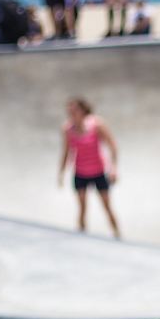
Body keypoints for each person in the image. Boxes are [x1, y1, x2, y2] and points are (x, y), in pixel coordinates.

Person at [59, 98, 120, 237]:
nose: (72, 114)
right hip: (80, 172)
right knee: (82, 207)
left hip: (98, 171)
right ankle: (81, 235)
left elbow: (112, 146)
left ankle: (117, 234)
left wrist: (114, 168)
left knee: (107, 206)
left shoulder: (96, 124)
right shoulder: (68, 129)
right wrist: (61, 173)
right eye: (69, 112)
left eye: (74, 111)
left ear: (83, 111)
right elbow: (66, 151)